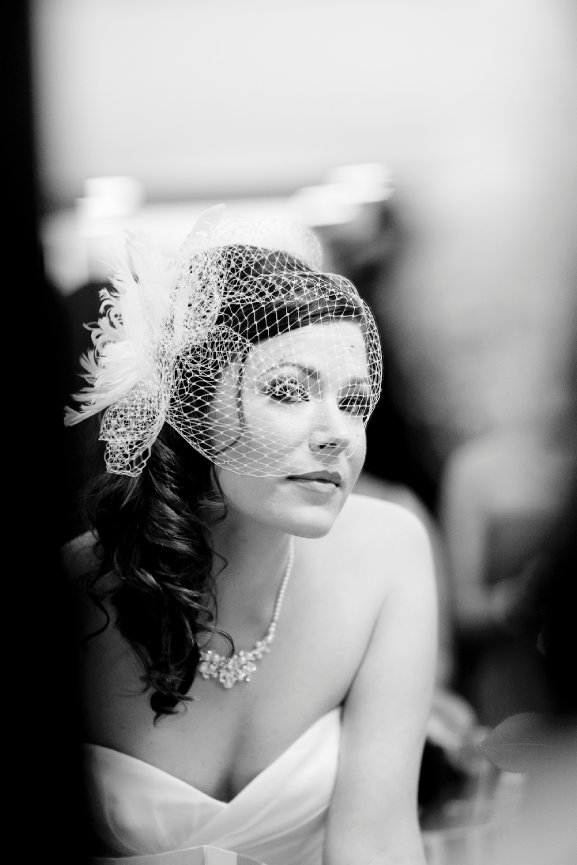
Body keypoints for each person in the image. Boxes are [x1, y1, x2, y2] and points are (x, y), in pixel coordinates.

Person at [62, 207, 438, 865]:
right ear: (191, 405)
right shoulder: (76, 588)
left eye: (353, 402)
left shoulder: (389, 554)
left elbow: (377, 842)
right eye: (289, 391)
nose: (336, 433)